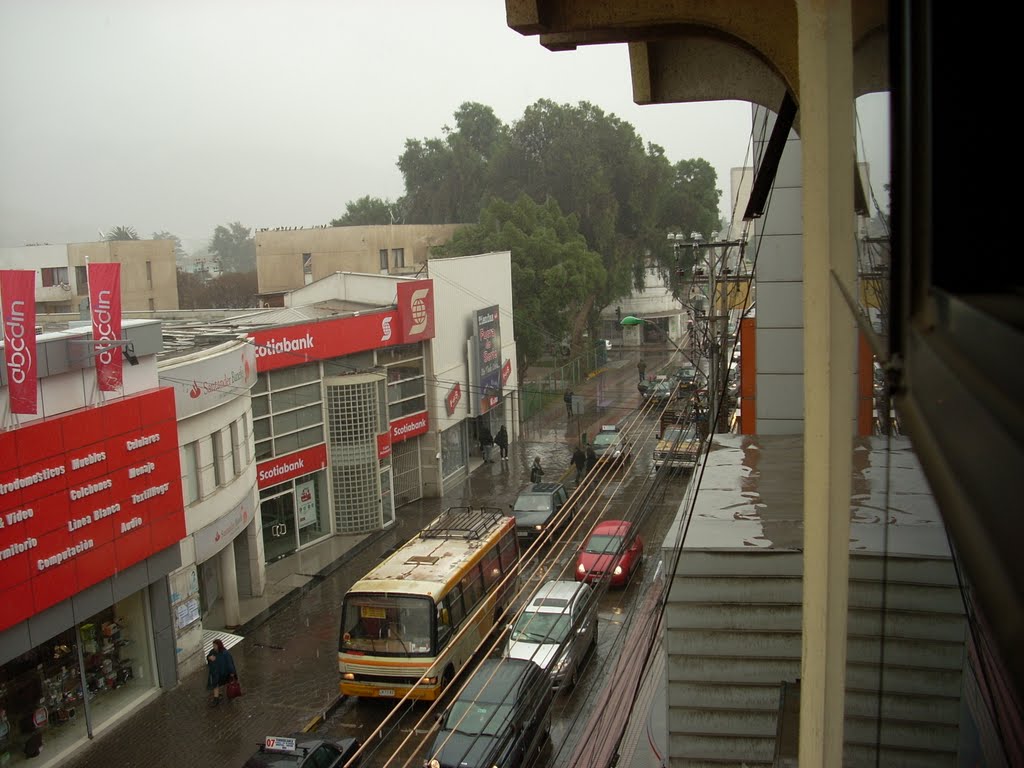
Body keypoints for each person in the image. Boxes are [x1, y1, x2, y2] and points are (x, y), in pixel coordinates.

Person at [206, 638, 237, 706]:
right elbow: (208, 656)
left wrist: (232, 673)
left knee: (225, 683)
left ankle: (227, 694)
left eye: (215, 645)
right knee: (216, 685)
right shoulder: (212, 651)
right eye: (213, 645)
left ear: (219, 645)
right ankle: (216, 699)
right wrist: (209, 658)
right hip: (216, 673)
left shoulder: (225, 653)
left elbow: (229, 663)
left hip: (224, 673)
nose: (214, 647)